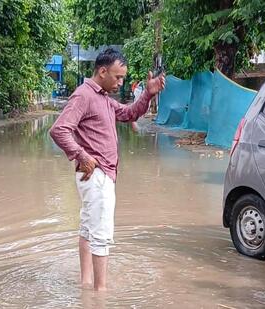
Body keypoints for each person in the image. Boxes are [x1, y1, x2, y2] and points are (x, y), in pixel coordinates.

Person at [49, 48, 166, 291]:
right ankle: (100, 295)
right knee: (101, 234)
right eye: (118, 77)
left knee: (87, 228)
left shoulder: (102, 97)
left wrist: (148, 94)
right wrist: (82, 155)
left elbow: (129, 113)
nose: (120, 82)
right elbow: (59, 130)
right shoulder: (84, 95)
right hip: (96, 174)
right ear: (102, 71)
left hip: (96, 175)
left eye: (123, 77)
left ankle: (86, 284)